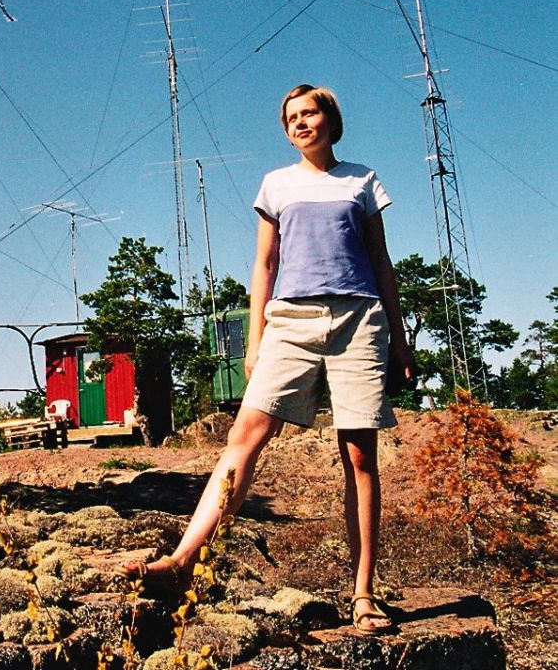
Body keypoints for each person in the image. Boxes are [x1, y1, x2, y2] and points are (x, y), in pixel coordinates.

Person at [119, 84, 415, 634]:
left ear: (331, 118)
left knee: (359, 457)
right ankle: (182, 561)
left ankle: (364, 594)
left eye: (310, 113)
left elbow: (381, 258)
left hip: (358, 320)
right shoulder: (276, 184)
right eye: (292, 119)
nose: (301, 124)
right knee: (245, 436)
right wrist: (253, 340)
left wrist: (400, 337)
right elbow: (264, 264)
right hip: (290, 322)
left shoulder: (362, 180)